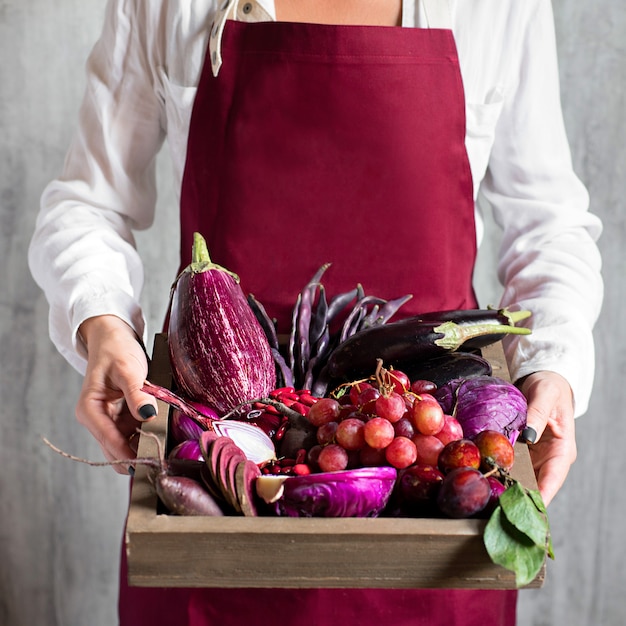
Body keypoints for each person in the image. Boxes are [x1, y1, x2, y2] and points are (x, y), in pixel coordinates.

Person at [29, 0, 603, 624]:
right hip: (224, 477)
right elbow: (89, 202)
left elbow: (546, 223)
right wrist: (103, 321)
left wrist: (553, 365)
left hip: (430, 466)